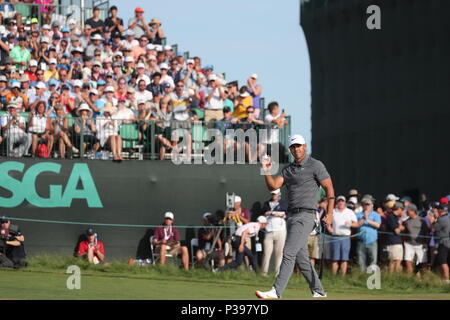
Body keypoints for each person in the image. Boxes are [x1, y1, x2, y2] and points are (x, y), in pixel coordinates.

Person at [256, 134, 335, 299]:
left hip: (306, 215)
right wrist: (266, 171)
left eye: (299, 146)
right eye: (293, 147)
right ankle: (319, 291)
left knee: (289, 252)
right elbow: (273, 186)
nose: (296, 149)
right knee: (302, 258)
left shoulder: (315, 165)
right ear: (291, 150)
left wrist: (329, 213)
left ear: (305, 146)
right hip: (291, 217)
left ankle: (276, 291)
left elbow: (329, 188)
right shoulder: (288, 169)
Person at [326, 195, 358, 275]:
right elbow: (327, 222)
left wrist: (350, 224)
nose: (341, 202)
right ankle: (333, 277)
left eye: (342, 201)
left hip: (345, 238)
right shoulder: (333, 211)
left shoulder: (349, 212)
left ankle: (342, 277)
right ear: (337, 202)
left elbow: (356, 224)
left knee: (344, 258)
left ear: (345, 203)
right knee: (334, 258)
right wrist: (329, 228)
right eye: (339, 201)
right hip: (335, 237)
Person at [261, 189, 288, 276]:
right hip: (269, 231)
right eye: (272, 194)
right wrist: (268, 213)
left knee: (279, 253)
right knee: (266, 253)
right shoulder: (266, 204)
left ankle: (278, 274)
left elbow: (287, 214)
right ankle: (264, 273)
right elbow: (263, 214)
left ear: (279, 194)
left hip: (280, 231)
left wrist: (275, 213)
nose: (273, 196)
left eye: (275, 194)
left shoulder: (284, 204)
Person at [355, 197, 381, 271]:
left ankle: (372, 276)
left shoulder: (376, 215)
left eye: (368, 204)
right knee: (361, 260)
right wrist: (364, 217)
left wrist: (368, 220)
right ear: (362, 206)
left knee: (373, 259)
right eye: (364, 205)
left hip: (372, 241)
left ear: (372, 205)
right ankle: (362, 275)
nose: (366, 206)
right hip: (361, 241)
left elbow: (377, 225)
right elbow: (356, 224)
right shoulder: (358, 215)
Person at [403, 203, 429, 274]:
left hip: (420, 244)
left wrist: (425, 243)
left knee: (423, 262)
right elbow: (404, 232)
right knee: (408, 260)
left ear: (413, 211)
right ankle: (410, 278)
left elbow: (426, 232)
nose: (406, 212)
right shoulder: (406, 221)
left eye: (407, 210)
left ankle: (425, 278)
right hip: (409, 244)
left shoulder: (422, 220)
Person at [429, 204, 450, 283]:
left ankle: (446, 280)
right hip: (447, 243)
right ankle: (442, 279)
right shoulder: (448, 218)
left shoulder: (441, 219)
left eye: (437, 210)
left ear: (440, 211)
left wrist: (432, 221)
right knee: (440, 262)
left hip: (443, 243)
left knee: (442, 262)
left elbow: (432, 229)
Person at [385, 201, 405, 273]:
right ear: (399, 209)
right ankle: (392, 277)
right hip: (393, 242)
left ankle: (396, 276)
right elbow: (397, 231)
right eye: (402, 209)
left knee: (398, 260)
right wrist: (401, 227)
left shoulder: (395, 218)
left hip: (396, 242)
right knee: (394, 261)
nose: (403, 211)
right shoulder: (391, 217)